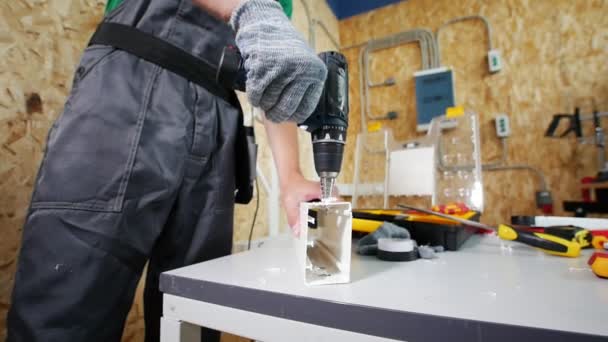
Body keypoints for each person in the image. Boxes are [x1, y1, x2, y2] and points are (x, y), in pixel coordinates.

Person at [6, 0, 327, 341]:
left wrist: (290, 176)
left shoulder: (282, 3)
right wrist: (247, 7)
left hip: (217, 121)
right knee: (69, 303)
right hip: (131, 81)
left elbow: (275, 89)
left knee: (193, 312)